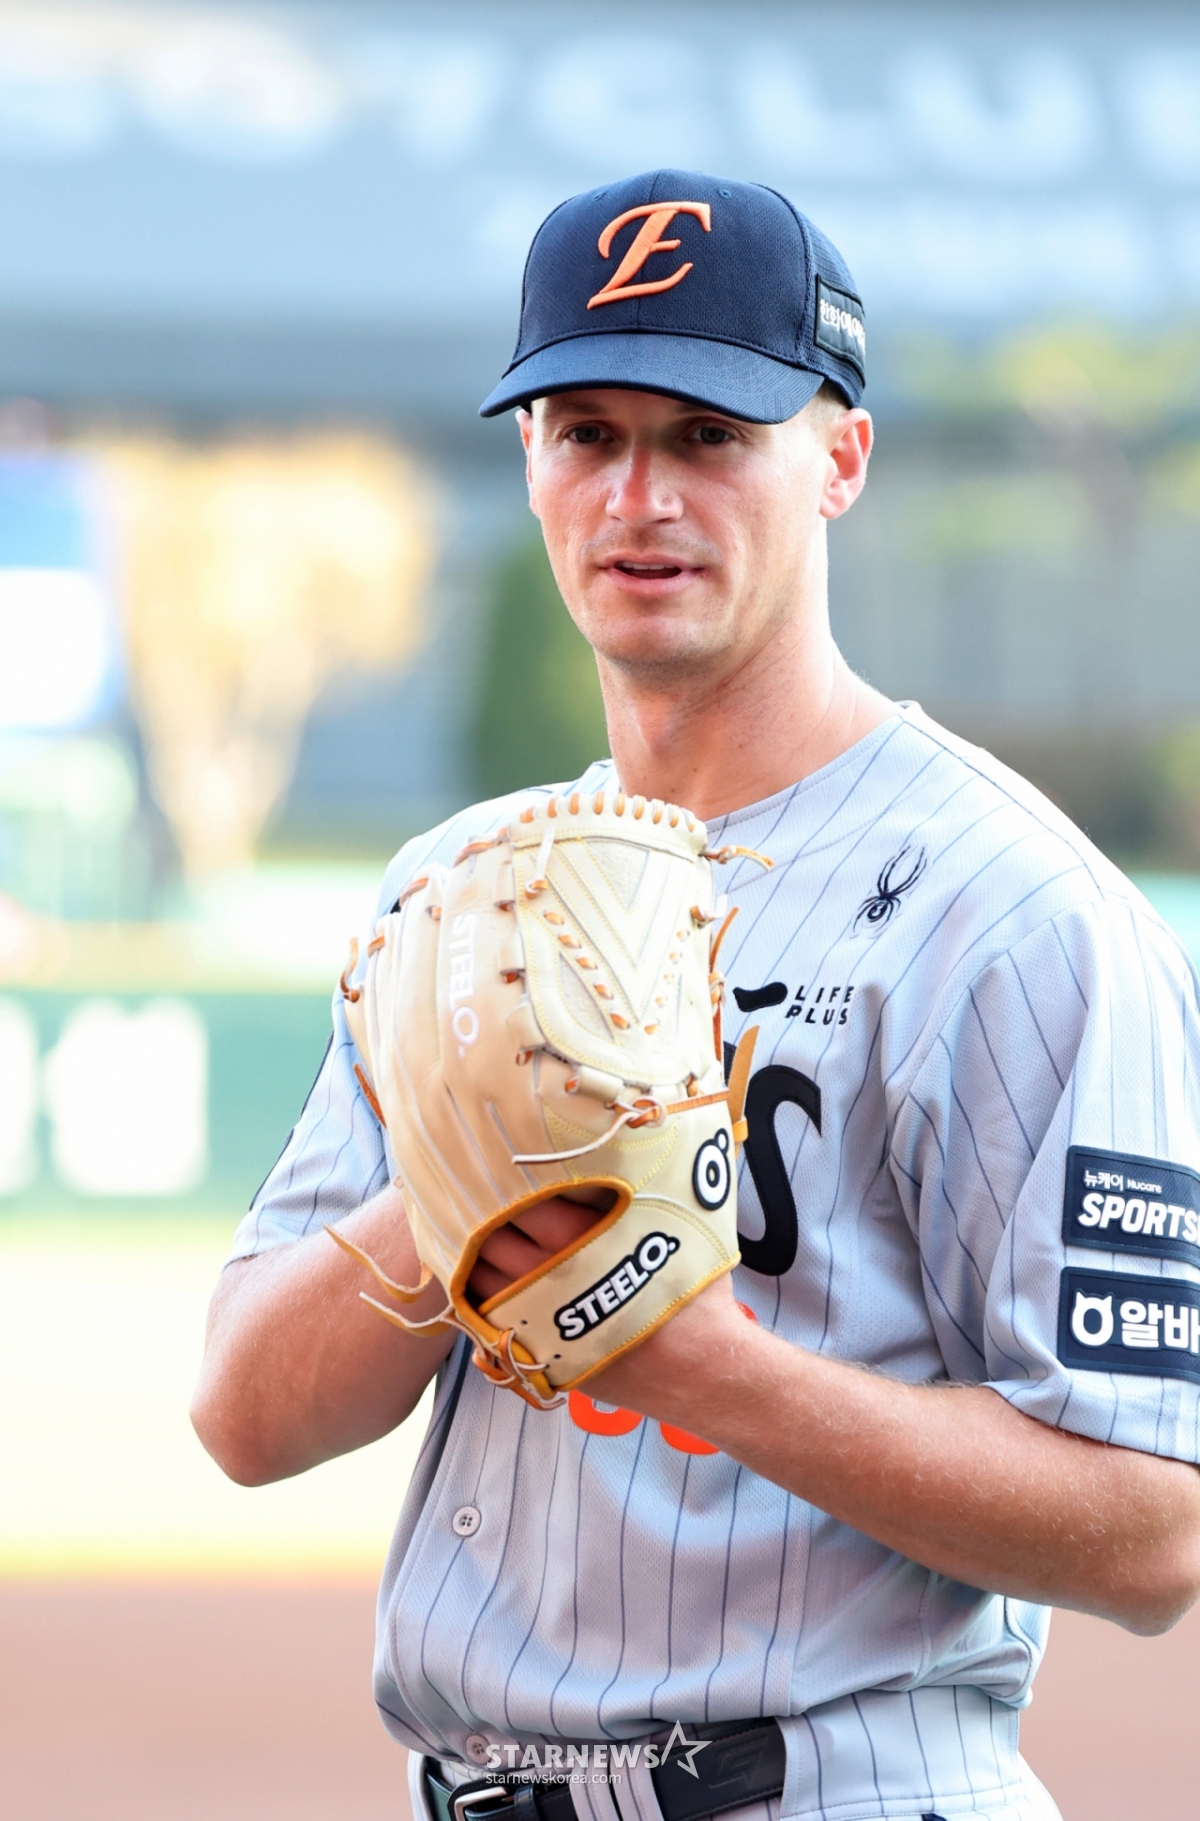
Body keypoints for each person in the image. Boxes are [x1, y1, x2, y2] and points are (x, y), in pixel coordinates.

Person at [192, 172, 1200, 1821]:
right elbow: (243, 1411)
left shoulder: (1021, 912)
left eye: (710, 434)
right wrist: (459, 1198)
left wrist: (695, 1361)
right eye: (586, 432)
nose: (639, 495)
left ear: (841, 459)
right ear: (531, 464)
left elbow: (1155, 1531)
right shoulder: (458, 904)